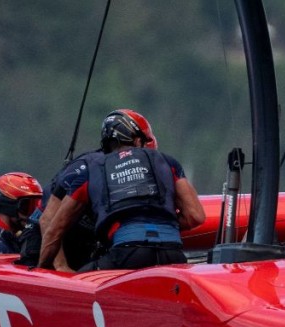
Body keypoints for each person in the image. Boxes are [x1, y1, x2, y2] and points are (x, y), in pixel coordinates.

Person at [37, 109, 204, 271]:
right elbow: (196, 216)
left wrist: (44, 269)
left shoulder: (91, 170)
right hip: (173, 254)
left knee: (81, 278)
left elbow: (54, 230)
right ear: (138, 141)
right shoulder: (168, 162)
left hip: (127, 254)